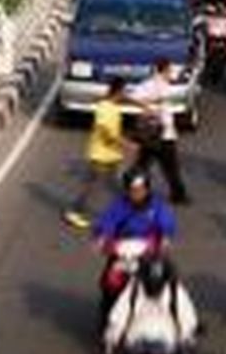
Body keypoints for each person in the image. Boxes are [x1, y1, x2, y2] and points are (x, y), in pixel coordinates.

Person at [104, 256, 200, 354]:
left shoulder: (173, 291)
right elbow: (118, 318)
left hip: (159, 344)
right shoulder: (136, 290)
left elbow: (188, 318)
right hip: (144, 344)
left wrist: (112, 338)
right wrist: (113, 337)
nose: (154, 288)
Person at [66, 77, 133, 228]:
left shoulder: (113, 106)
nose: (125, 96)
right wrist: (127, 144)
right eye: (124, 92)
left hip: (112, 154)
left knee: (115, 185)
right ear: (118, 91)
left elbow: (128, 100)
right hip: (100, 155)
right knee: (92, 187)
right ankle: (74, 212)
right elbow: (105, 132)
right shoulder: (104, 108)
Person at [132, 59, 190, 206]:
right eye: (169, 70)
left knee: (143, 165)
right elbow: (134, 97)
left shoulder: (158, 85)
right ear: (163, 70)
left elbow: (134, 96)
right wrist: (152, 103)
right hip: (160, 134)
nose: (171, 73)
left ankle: (136, 189)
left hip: (158, 133)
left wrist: (147, 106)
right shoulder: (153, 85)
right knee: (171, 168)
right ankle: (178, 195)